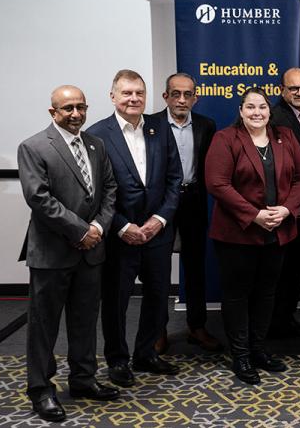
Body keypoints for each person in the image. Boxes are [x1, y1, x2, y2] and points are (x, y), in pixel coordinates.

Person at [18, 86, 119, 422]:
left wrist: (99, 230)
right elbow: (39, 198)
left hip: (91, 252)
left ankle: (83, 379)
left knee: (84, 321)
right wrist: (81, 231)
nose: (76, 114)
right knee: (44, 326)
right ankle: (41, 390)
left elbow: (109, 191)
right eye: (68, 108)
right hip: (52, 253)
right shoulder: (33, 147)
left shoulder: (96, 144)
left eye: (81, 107)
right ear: (53, 112)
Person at [204, 87, 300, 385]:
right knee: (238, 295)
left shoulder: (285, 137)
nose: (257, 112)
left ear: (269, 110)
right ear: (240, 111)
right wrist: (254, 215)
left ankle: (259, 349)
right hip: (237, 234)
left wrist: (288, 210)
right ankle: (241, 354)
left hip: (278, 231)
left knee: (266, 293)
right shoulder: (226, 139)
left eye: (262, 107)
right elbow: (217, 184)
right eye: (250, 107)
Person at [88, 69, 183, 387]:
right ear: (113, 96)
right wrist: (122, 226)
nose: (133, 98)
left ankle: (146, 354)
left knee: (158, 296)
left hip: (158, 233)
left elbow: (174, 178)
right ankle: (117, 360)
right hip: (120, 236)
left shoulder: (160, 127)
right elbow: (94, 192)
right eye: (127, 93)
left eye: (139, 93)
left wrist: (160, 219)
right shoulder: (97, 134)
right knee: (116, 302)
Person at [150, 72, 221, 354]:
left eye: (187, 94)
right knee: (158, 270)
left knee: (195, 267)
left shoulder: (207, 125)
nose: (182, 99)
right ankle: (158, 330)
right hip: (160, 205)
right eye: (176, 94)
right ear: (166, 96)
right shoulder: (151, 125)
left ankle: (197, 326)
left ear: (196, 97)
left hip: (193, 200)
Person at [269, 67, 300, 337]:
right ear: (282, 90)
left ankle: (285, 318)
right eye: (294, 88)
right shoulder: (275, 117)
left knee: (296, 262)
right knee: (282, 265)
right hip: (284, 202)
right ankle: (275, 324)